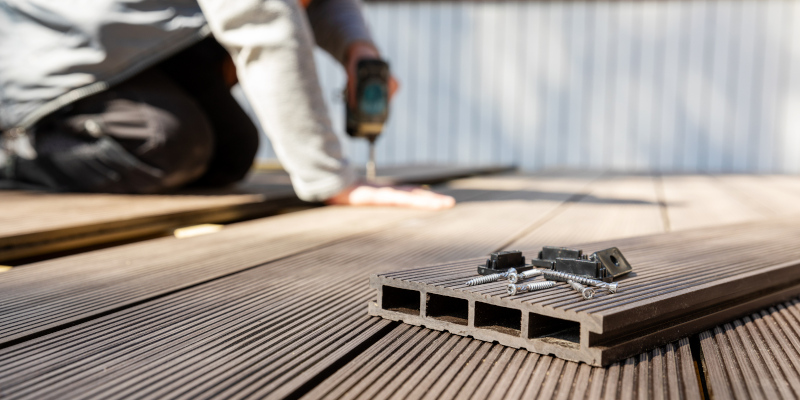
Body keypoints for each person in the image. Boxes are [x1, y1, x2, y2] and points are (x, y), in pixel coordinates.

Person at [0, 0, 455, 210]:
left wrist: (359, 48)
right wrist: (334, 180)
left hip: (139, 47)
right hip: (51, 61)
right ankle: (13, 151)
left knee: (231, 151)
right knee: (166, 142)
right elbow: (258, 15)